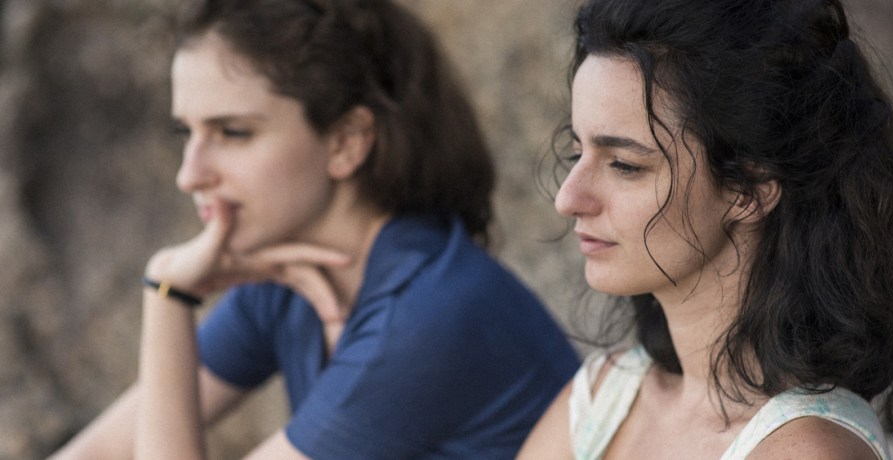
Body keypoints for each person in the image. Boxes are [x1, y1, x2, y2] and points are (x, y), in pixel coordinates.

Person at [50, 0, 579, 458]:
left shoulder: (425, 312)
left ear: (346, 141)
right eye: (186, 133)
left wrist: (168, 293)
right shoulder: (284, 283)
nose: (190, 175)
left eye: (233, 132)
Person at [518, 0, 893, 458]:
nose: (567, 199)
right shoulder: (604, 396)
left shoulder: (802, 451)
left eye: (625, 164)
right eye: (576, 152)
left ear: (749, 189)